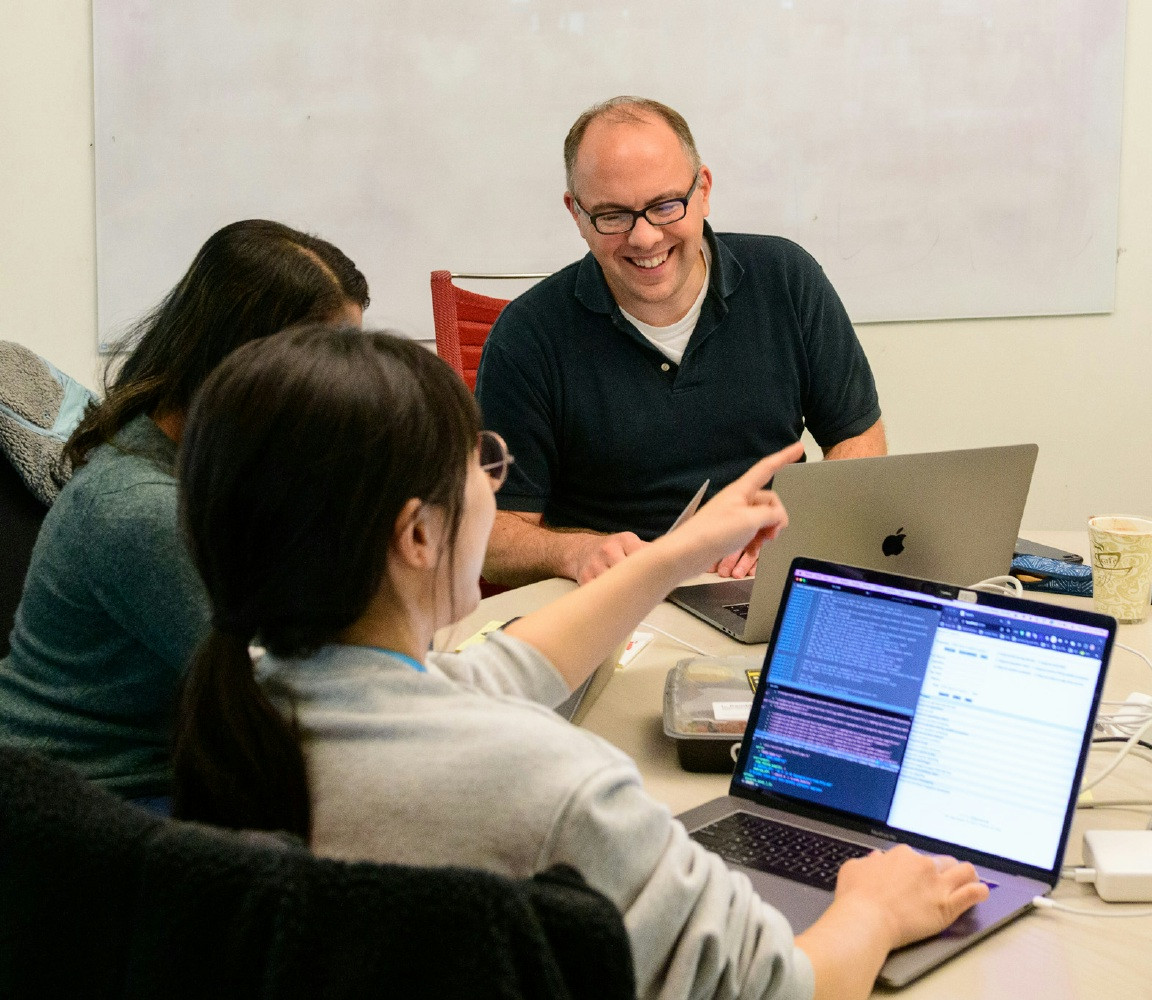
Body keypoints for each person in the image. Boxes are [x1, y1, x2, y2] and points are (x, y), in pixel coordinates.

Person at [171, 326, 985, 1000]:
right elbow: (785, 987)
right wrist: (874, 908)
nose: (495, 485)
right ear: (418, 535)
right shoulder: (554, 786)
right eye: (484, 465)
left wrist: (675, 554)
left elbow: (506, 670)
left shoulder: (257, 694)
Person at [0, 220, 367, 807]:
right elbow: (286, 703)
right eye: (327, 360)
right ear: (243, 358)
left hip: (157, 779)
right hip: (85, 809)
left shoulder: (208, 461)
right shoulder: (140, 508)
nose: (343, 384)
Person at [476, 96, 887, 588]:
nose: (645, 238)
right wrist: (577, 551)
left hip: (765, 580)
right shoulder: (527, 336)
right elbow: (490, 537)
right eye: (612, 216)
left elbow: (860, 439)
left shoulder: (786, 279)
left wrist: (792, 530)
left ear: (704, 190)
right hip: (618, 603)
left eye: (666, 206)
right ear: (577, 214)